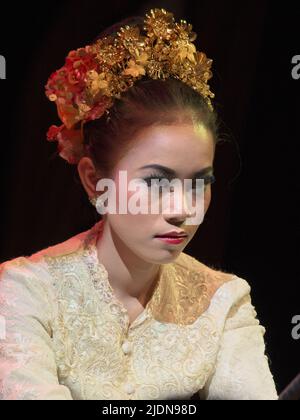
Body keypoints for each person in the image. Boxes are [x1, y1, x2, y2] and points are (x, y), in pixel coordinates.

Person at [0, 8, 278, 400]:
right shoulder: (27, 291)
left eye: (200, 182)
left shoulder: (223, 300)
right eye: (157, 182)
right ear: (95, 181)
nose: (184, 209)